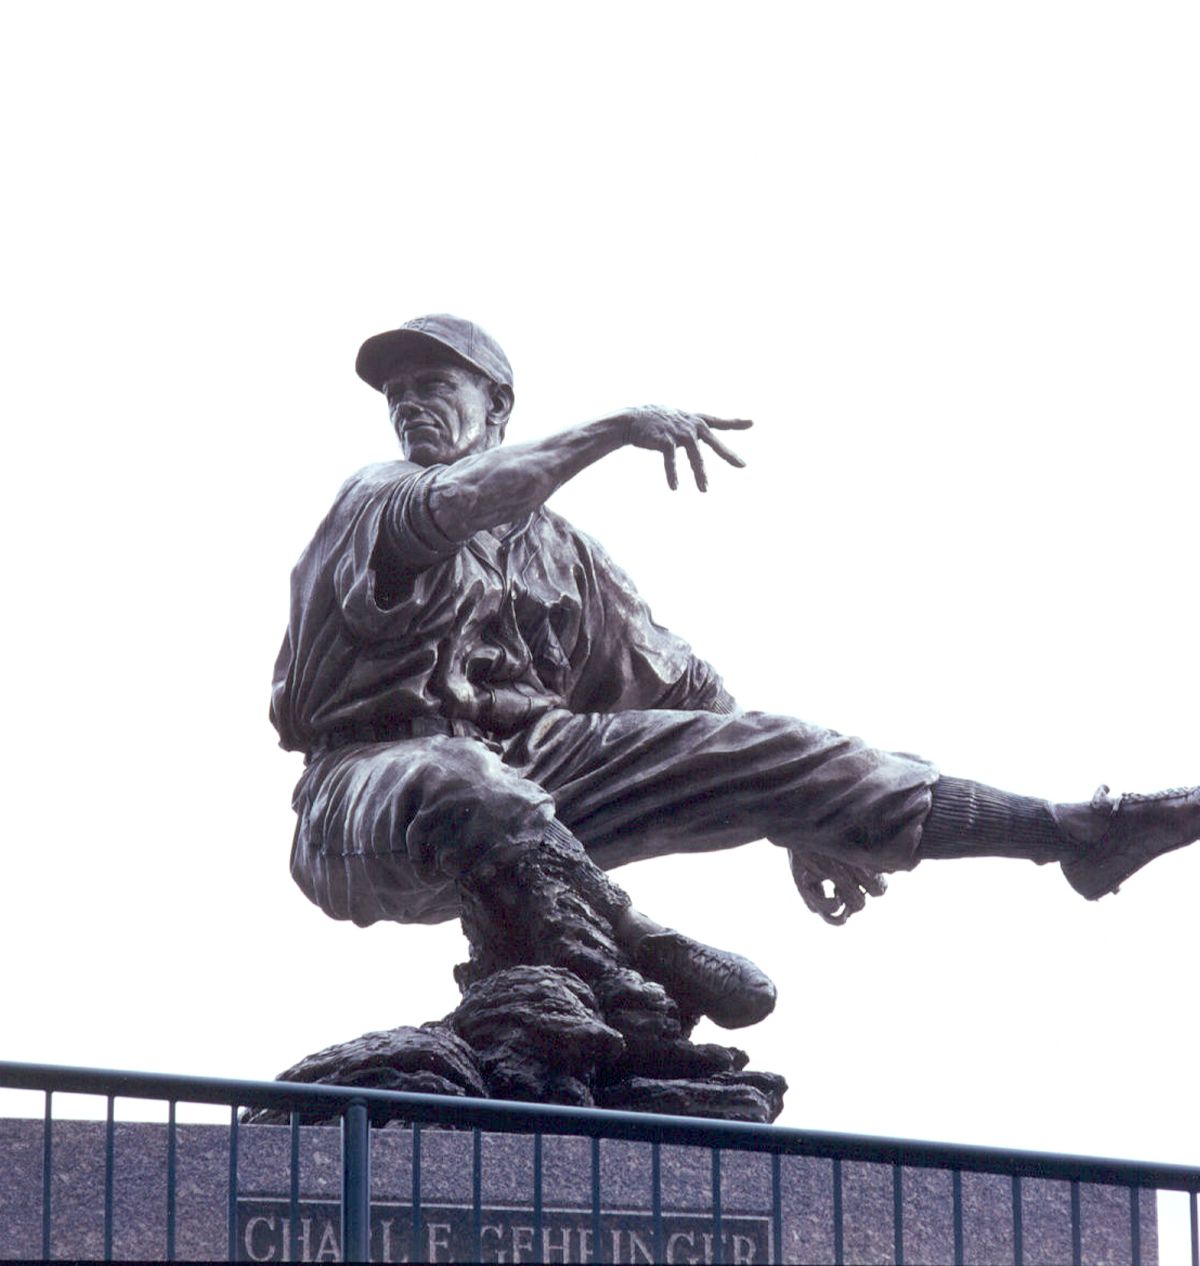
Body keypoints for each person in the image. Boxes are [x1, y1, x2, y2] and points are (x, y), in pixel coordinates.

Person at [271, 314, 1198, 1028]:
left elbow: (692, 696)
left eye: (433, 384)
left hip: (534, 773)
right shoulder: (378, 495)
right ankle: (643, 942)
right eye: (396, 394)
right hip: (364, 793)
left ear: (497, 406)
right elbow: (455, 505)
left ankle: (1075, 833)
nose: (409, 405)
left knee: (782, 747)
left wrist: (796, 814)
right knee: (465, 782)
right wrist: (617, 428)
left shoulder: (568, 560)